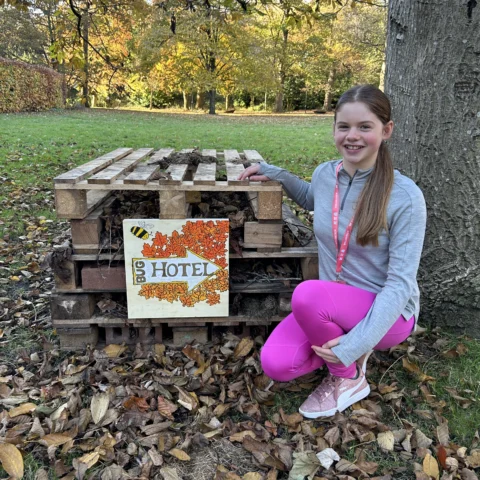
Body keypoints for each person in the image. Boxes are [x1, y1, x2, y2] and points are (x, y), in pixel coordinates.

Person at [238, 85, 427, 419]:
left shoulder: (406, 197)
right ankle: (336, 342)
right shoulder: (326, 174)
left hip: (388, 312)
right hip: (331, 303)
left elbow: (399, 285)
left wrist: (355, 345)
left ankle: (349, 376)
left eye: (364, 127)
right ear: (334, 129)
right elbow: (314, 199)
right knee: (277, 364)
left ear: (386, 130)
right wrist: (275, 173)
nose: (352, 136)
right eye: (344, 126)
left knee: (308, 296)